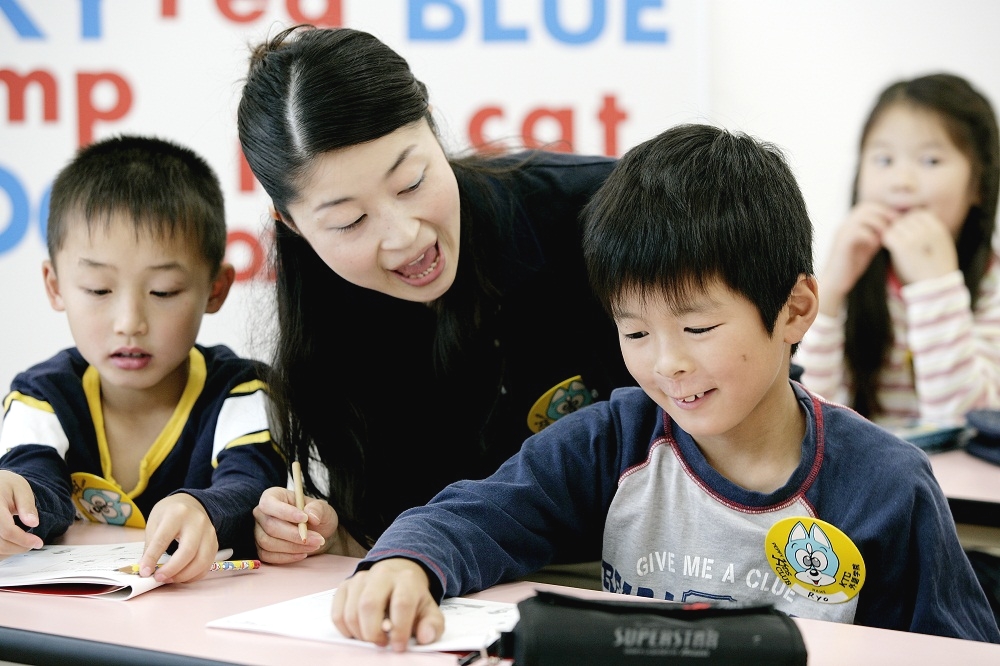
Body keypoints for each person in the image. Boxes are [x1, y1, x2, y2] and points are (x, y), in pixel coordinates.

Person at [327, 124, 1000, 650]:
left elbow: (958, 651)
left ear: (795, 310)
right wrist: (407, 563)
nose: (666, 364)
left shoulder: (882, 485)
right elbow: (482, 512)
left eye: (698, 326)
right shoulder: (616, 441)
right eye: (636, 332)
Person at [236, 24, 635, 562]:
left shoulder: (596, 212)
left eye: (412, 183)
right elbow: (394, 521)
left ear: (431, 130)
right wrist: (334, 539)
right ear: (292, 225)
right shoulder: (325, 325)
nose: (404, 237)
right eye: (350, 221)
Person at [0, 135, 286, 583]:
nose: (129, 322)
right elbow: (34, 478)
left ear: (216, 289)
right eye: (98, 290)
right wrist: (12, 498)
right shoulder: (41, 395)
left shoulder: (243, 391)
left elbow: (251, 485)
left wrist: (203, 509)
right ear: (55, 285)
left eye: (163, 292)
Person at [796, 73, 1000, 424]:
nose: (901, 182)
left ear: (978, 185)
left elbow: (970, 427)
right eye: (884, 160)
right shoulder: (854, 274)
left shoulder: (991, 285)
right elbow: (807, 418)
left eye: (930, 161)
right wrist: (829, 291)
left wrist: (936, 286)